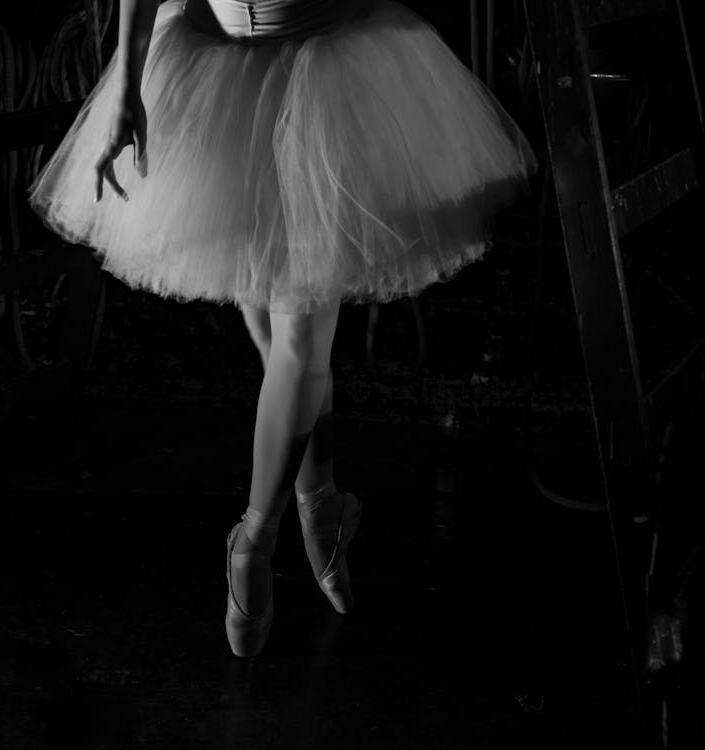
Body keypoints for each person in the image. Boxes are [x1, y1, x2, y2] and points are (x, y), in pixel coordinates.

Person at [28, 0, 538, 658]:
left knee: (295, 342)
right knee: (294, 342)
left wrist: (129, 88)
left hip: (303, 67)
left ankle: (293, 523)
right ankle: (270, 531)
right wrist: (127, 89)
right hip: (231, 71)